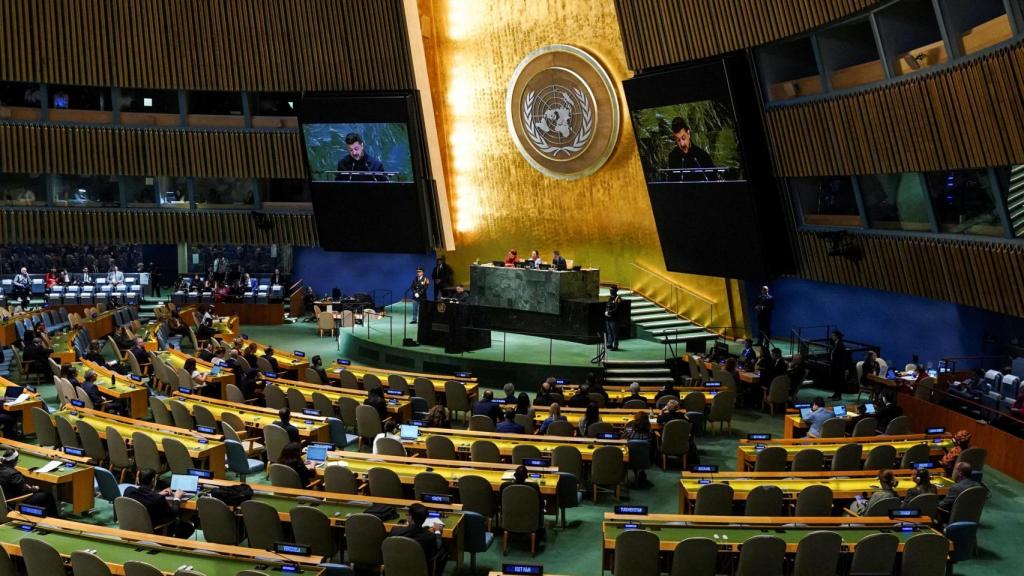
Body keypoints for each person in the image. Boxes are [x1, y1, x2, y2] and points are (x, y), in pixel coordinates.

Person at [123, 468, 194, 537]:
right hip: (155, 531)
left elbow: (144, 497)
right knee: (188, 527)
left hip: (133, 527)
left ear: (138, 479)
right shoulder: (158, 499)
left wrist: (158, 494)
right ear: (153, 480)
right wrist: (177, 498)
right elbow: (173, 514)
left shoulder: (129, 491)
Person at [390, 503, 446, 575]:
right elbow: (437, 546)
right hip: (419, 570)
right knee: (443, 552)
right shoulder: (429, 536)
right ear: (424, 519)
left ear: (410, 517)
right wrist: (438, 531)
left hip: (397, 568)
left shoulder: (395, 530)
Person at [0, 449, 60, 516]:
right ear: (14, 461)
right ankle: (55, 518)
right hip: (13, 504)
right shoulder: (14, 475)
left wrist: (26, 487)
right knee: (47, 495)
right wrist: (32, 490)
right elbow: (22, 493)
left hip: (3, 501)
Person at [499, 466, 545, 540]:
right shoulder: (534, 487)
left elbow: (500, 502)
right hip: (529, 518)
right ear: (526, 477)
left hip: (509, 517)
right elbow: (541, 504)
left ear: (514, 475)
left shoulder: (504, 486)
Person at [829, 330, 848, 400]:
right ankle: (835, 394)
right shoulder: (835, 343)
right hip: (835, 365)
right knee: (835, 381)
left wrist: (838, 366)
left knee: (838, 381)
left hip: (838, 367)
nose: (832, 337)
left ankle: (839, 396)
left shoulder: (840, 344)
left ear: (837, 336)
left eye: (833, 335)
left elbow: (841, 357)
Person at [604, 285, 622, 351]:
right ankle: (610, 344)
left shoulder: (618, 298)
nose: (610, 291)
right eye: (610, 290)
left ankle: (615, 346)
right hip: (608, 318)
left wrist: (609, 313)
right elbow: (607, 306)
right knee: (609, 332)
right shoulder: (610, 298)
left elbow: (617, 309)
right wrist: (606, 312)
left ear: (615, 291)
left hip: (614, 319)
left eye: (611, 290)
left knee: (615, 333)